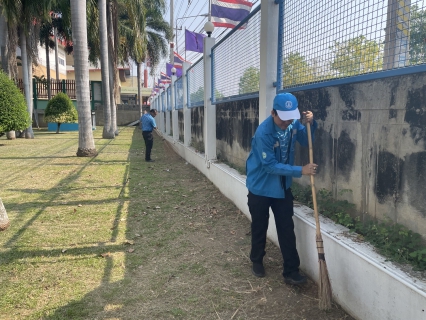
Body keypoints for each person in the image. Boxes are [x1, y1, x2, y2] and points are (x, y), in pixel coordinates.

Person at [245, 92, 318, 285]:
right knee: (260, 226)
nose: (286, 123)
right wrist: (300, 170)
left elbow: (304, 138)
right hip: (260, 187)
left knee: (286, 227)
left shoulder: (293, 123)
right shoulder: (264, 133)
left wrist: (311, 123)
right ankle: (257, 260)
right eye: (283, 119)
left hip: (282, 187)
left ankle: (291, 271)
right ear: (273, 113)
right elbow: (270, 166)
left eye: (290, 118)